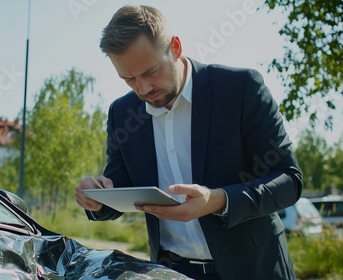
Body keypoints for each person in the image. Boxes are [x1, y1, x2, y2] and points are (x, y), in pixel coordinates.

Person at [74, 5, 303, 280]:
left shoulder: (240, 88)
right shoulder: (122, 113)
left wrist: (219, 200)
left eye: (150, 72)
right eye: (129, 79)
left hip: (254, 268)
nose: (142, 89)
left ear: (176, 47)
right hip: (171, 271)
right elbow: (119, 185)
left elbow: (289, 180)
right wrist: (97, 197)